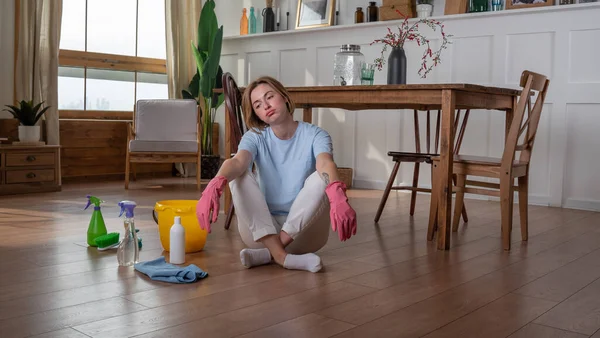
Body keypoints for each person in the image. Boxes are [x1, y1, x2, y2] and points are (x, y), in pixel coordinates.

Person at [196, 76, 357, 273]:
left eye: (269, 97)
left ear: (285, 97)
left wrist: (337, 193)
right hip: (261, 232)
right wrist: (215, 182)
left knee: (321, 177)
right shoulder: (254, 136)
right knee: (240, 175)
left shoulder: (316, 134)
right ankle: (282, 256)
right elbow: (238, 161)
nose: (266, 105)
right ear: (256, 114)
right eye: (257, 105)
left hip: (305, 232)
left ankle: (271, 253)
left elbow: (325, 163)